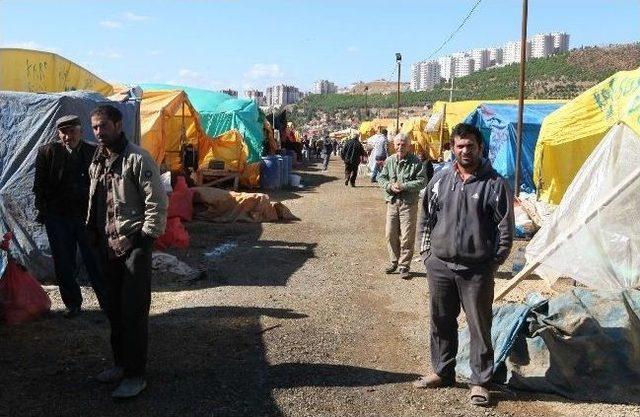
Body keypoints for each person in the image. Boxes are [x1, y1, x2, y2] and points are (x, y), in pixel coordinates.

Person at [414, 123, 513, 407]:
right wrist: (427, 255)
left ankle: (480, 382)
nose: (465, 150)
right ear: (452, 148)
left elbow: (505, 230)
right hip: (440, 266)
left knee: (479, 325)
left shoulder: (494, 184)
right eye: (459, 145)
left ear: (480, 148)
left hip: (476, 270)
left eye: (470, 145)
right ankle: (442, 371)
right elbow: (425, 217)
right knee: (441, 320)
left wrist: (491, 264)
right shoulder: (441, 180)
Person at [86, 105, 168, 399]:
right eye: (94, 127)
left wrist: (145, 240)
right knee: (114, 311)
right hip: (106, 248)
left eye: (103, 126)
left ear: (118, 125)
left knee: (133, 313)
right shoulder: (98, 159)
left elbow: (156, 201)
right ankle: (121, 364)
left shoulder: (137, 158)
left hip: (133, 246)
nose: (98, 132)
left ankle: (136, 375)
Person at [33, 115, 107, 318]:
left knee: (95, 260)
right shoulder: (47, 152)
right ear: (58, 133)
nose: (68, 136)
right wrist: (45, 210)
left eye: (72, 131)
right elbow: (39, 185)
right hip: (58, 217)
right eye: (64, 132)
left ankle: (107, 303)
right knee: (63, 262)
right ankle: (72, 304)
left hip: (86, 217)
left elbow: (103, 185)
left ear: (80, 131)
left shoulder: (94, 151)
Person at [377, 133, 426, 280]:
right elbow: (381, 177)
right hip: (392, 202)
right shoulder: (390, 160)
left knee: (407, 236)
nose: (400, 146)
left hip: (408, 204)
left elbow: (422, 181)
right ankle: (394, 262)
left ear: (409, 146)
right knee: (390, 233)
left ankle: (404, 265)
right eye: (398, 144)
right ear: (394, 145)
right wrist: (389, 186)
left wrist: (404, 186)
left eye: (403, 144)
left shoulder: (416, 162)